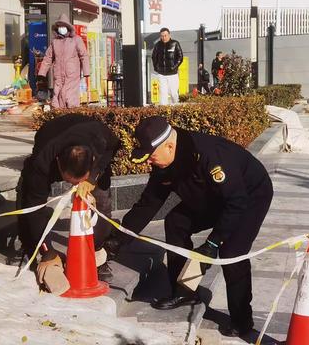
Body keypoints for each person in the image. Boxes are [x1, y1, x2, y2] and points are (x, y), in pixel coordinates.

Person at [112, 116, 273, 338]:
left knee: (231, 252)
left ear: (169, 146)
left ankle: (242, 320)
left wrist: (212, 243)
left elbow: (236, 202)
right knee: (176, 222)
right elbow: (149, 203)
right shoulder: (164, 160)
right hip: (213, 196)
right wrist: (119, 237)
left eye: (151, 156)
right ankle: (185, 291)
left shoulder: (211, 156)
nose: (149, 161)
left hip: (248, 196)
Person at [16, 114, 119, 291]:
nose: (75, 186)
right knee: (27, 197)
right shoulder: (43, 161)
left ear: (92, 160)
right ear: (58, 165)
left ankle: (97, 252)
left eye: (80, 180)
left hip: (89, 140)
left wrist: (92, 179)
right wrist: (46, 250)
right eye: (70, 181)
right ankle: (31, 248)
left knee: (101, 201)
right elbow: (35, 209)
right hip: (50, 136)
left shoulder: (100, 137)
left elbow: (113, 148)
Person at [38, 14, 89, 108]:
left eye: (63, 26)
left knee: (70, 97)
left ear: (68, 27)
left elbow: (84, 55)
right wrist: (42, 72)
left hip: (72, 74)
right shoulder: (55, 42)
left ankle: (72, 117)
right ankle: (59, 116)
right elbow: (48, 57)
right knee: (57, 96)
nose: (61, 28)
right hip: (58, 74)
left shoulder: (76, 40)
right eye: (59, 27)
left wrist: (86, 72)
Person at [151, 28, 183, 105]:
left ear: (169, 35)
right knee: (163, 93)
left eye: (165, 35)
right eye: (162, 36)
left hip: (173, 74)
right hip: (161, 74)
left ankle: (176, 109)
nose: (164, 37)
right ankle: (163, 111)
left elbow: (180, 57)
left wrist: (174, 67)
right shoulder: (157, 45)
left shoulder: (175, 43)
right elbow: (154, 57)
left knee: (173, 93)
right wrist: (156, 67)